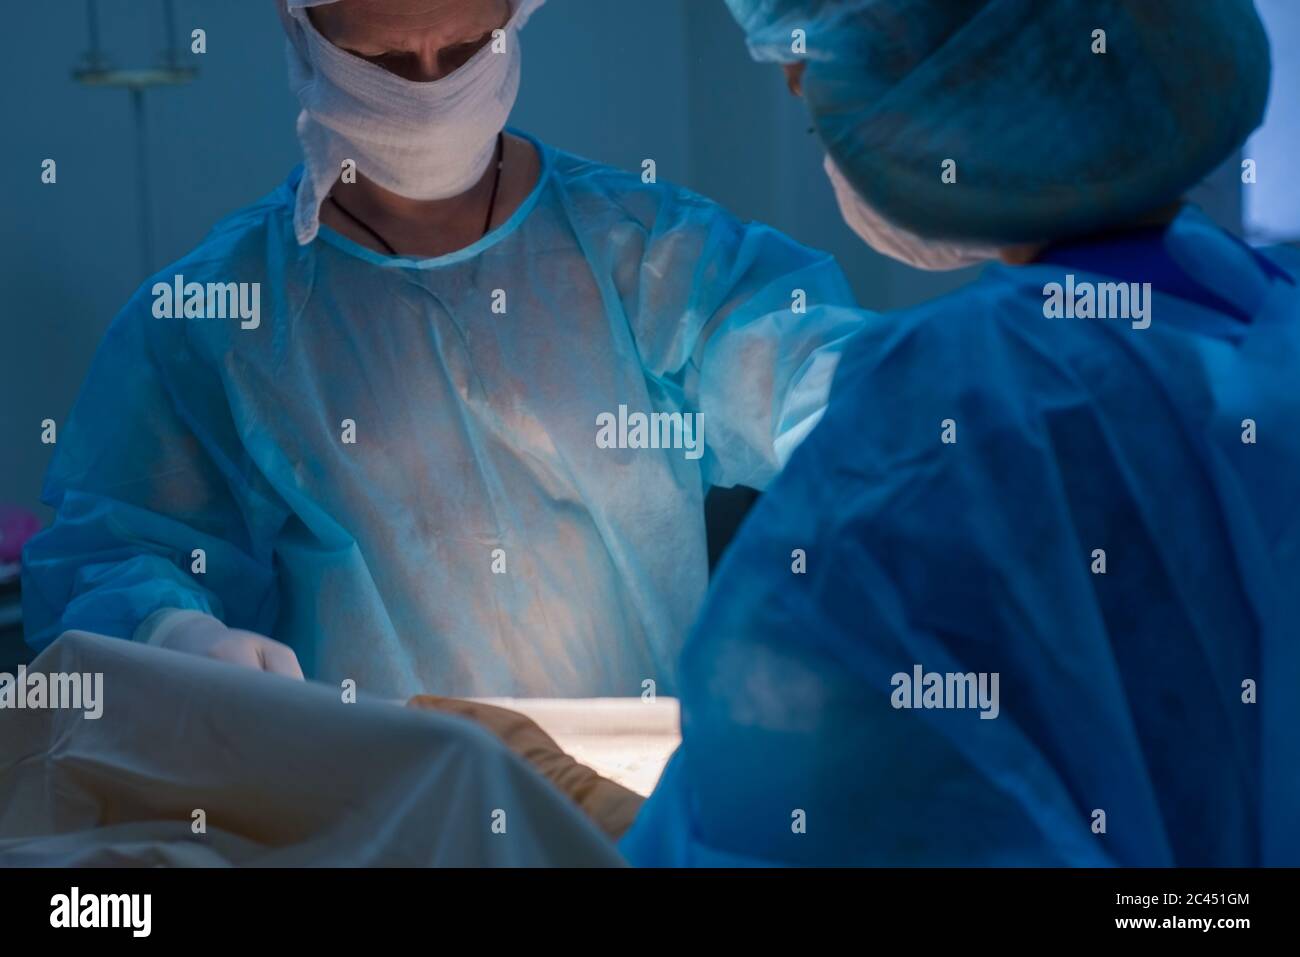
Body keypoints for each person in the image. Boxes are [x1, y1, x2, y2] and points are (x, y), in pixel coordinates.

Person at [21, 0, 867, 698]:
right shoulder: (219, 319)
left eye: (464, 48)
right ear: (302, 29)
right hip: (384, 813)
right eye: (385, 62)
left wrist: (885, 434)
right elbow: (121, 550)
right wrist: (172, 632)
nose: (429, 88)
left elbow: (810, 367)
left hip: (633, 807)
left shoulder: (644, 255)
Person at [619, 0, 1300, 865]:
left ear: (976, 63)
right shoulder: (1261, 326)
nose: (797, 81)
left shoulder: (948, 418)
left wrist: (588, 815)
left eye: (815, 54)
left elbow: (803, 810)